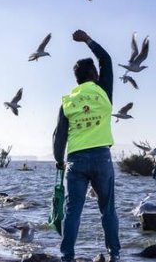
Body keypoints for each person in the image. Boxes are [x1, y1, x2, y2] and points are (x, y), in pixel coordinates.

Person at [53, 30, 121, 262]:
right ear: (93, 74)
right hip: (102, 157)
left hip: (75, 160)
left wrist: (58, 160)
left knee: (73, 212)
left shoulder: (68, 101)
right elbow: (107, 61)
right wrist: (88, 40)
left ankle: (67, 257)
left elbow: (59, 135)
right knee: (108, 210)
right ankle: (115, 255)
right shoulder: (103, 92)